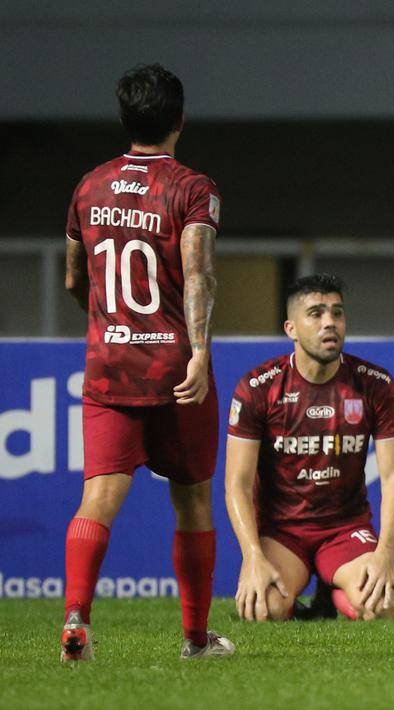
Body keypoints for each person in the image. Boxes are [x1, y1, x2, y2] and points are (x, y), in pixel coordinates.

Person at [60, 64, 233, 661]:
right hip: (175, 368)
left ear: (125, 120)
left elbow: (72, 278)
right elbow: (199, 275)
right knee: (191, 500)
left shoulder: (89, 187)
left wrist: (110, 319)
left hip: (110, 369)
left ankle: (76, 619)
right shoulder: (191, 188)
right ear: (179, 120)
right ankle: (194, 640)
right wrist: (201, 352)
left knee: (99, 498)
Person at [225, 274, 394, 622]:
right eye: (317, 313)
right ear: (291, 328)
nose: (330, 323)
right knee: (263, 610)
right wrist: (252, 557)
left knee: (384, 607)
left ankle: (334, 588)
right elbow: (237, 483)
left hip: (344, 529)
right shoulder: (257, 388)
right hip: (282, 532)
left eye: (337, 313)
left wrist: (385, 555)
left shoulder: (375, 384)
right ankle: (310, 599)